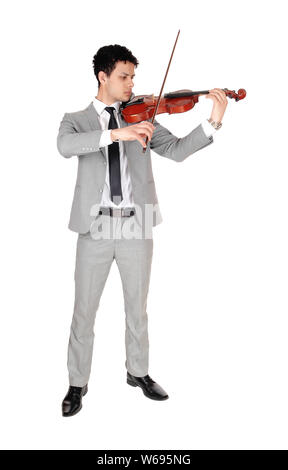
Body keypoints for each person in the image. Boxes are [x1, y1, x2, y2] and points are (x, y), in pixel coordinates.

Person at [57, 44, 228, 417]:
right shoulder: (77, 119)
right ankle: (77, 382)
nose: (131, 84)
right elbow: (65, 146)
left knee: (138, 307)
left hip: (139, 221)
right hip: (95, 225)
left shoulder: (145, 116)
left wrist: (212, 120)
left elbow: (179, 151)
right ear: (103, 77)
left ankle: (138, 372)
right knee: (84, 311)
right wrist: (119, 134)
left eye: (133, 76)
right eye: (124, 76)